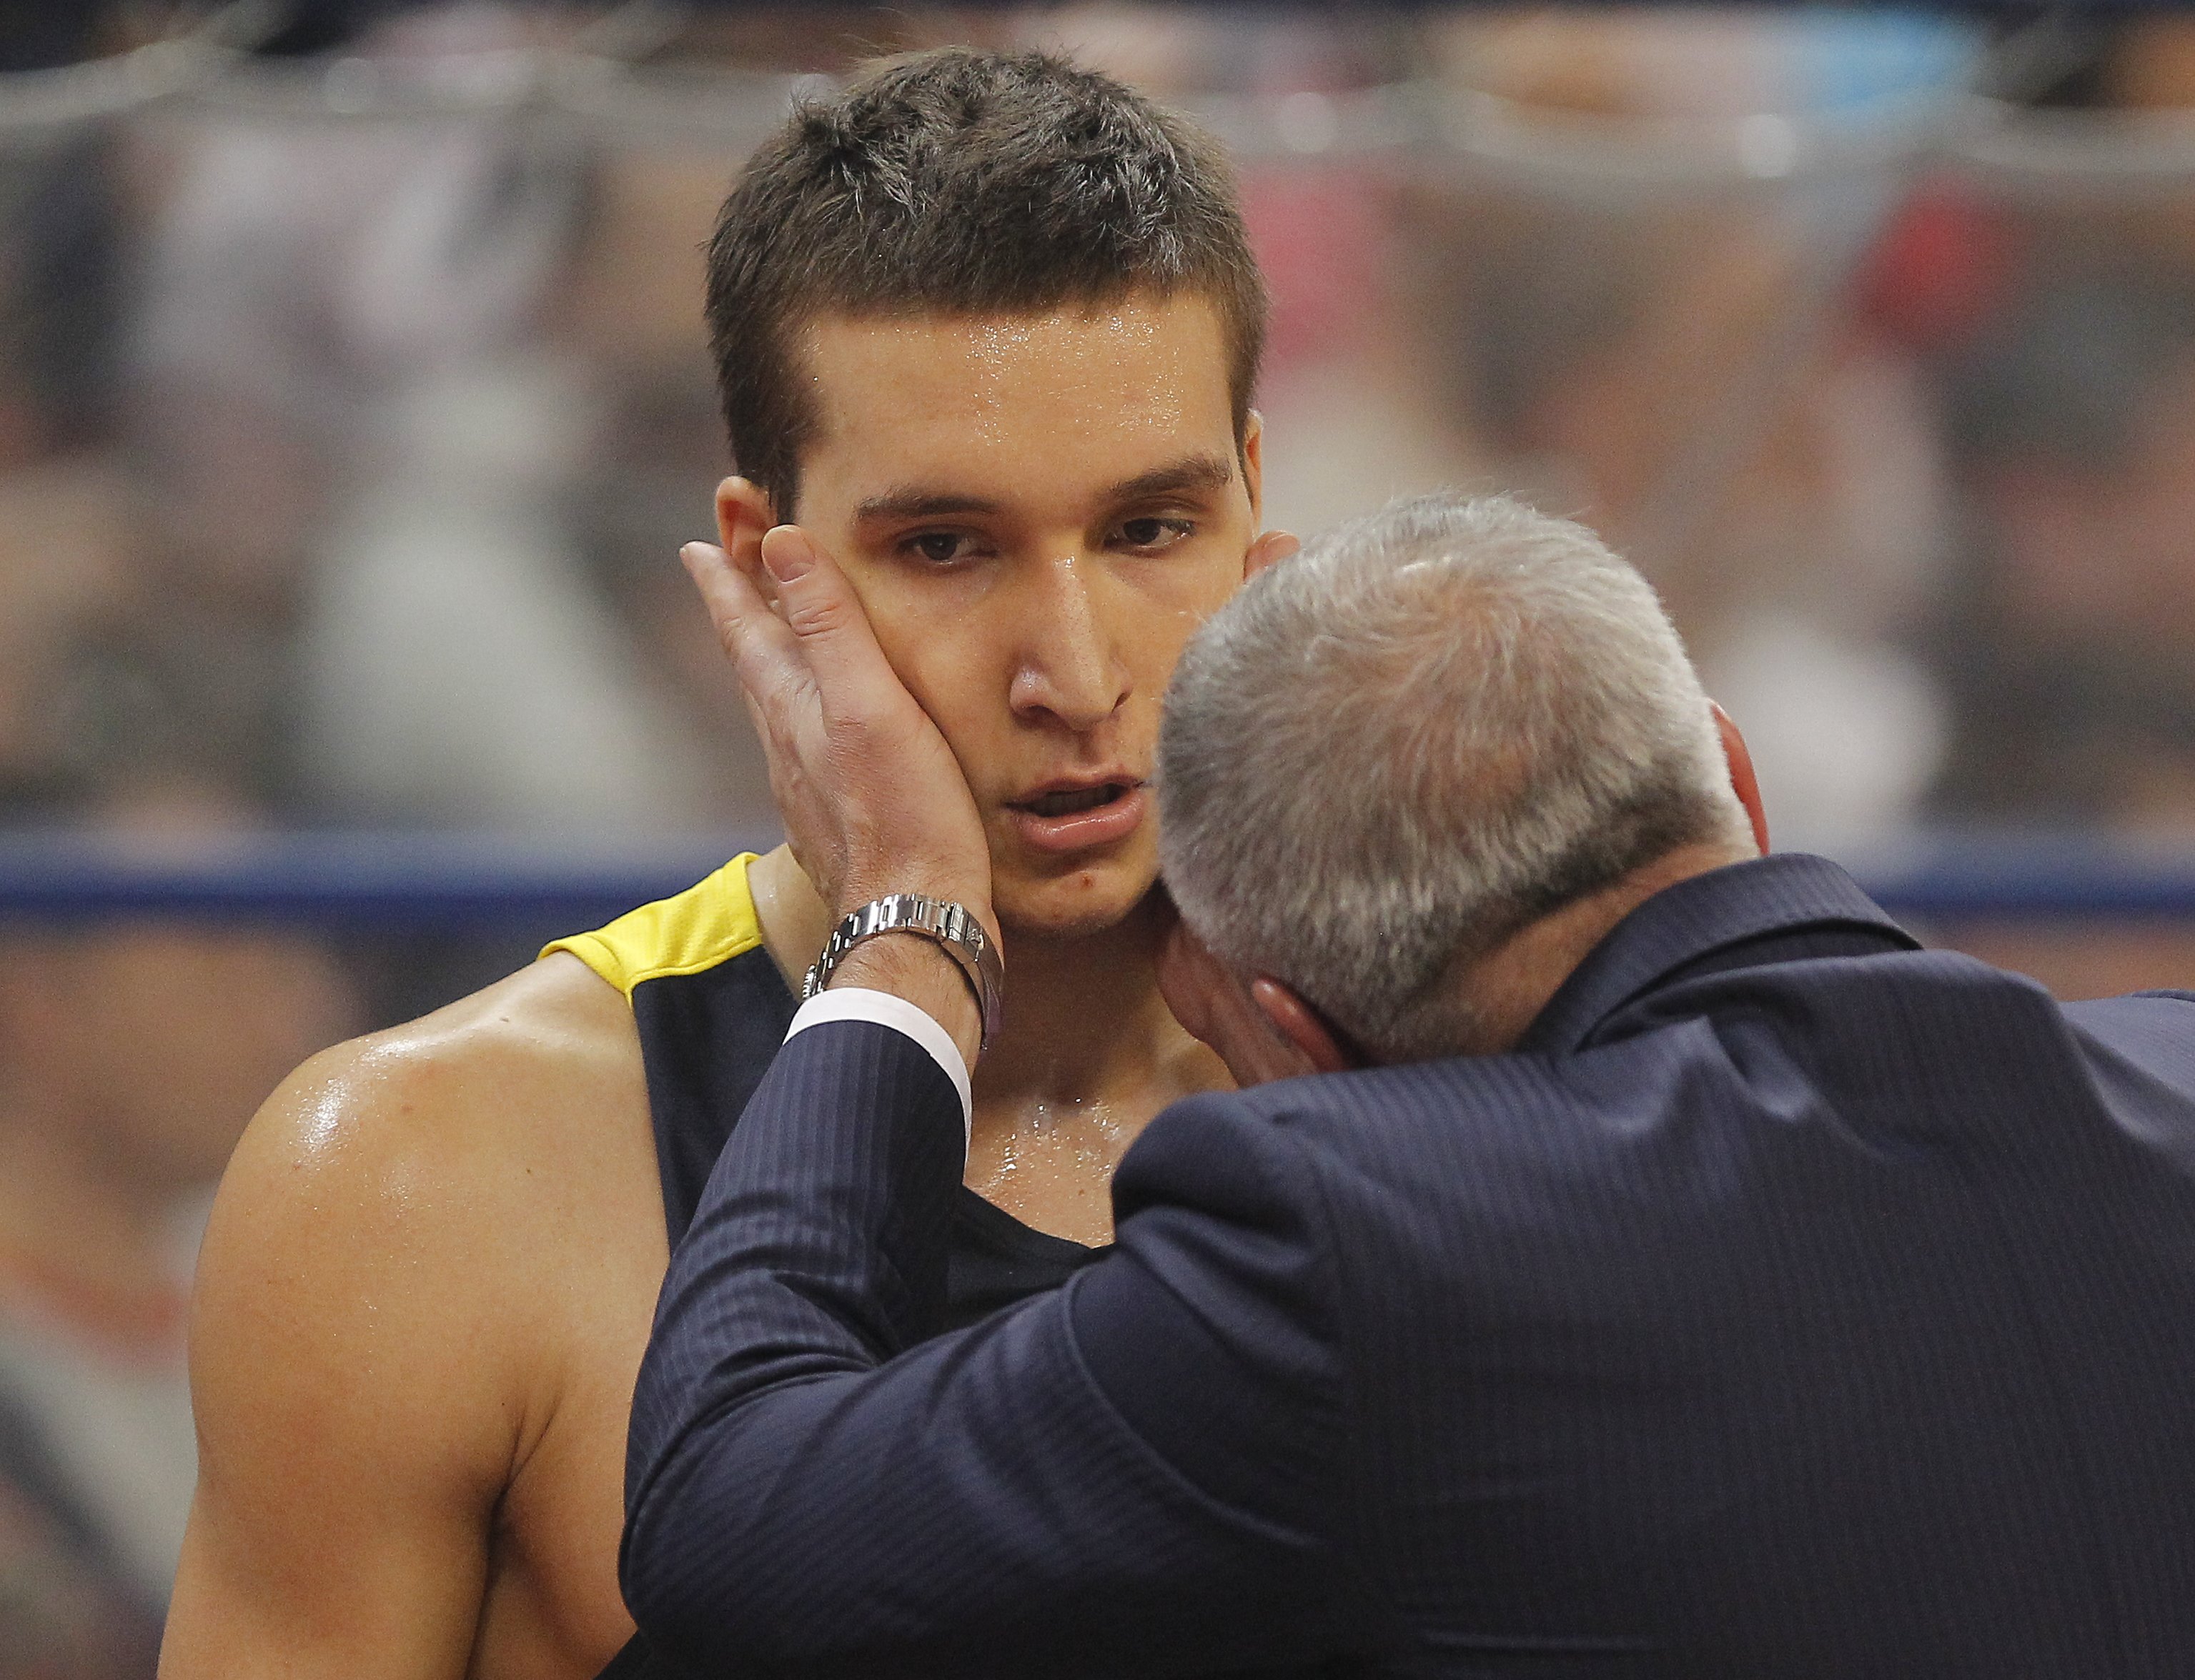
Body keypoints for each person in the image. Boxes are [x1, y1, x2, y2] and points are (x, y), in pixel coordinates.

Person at [621, 490, 2195, 1676]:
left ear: (1289, 1040)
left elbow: (724, 1524)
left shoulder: (1351, 1246)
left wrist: (906, 921)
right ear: (1734, 777)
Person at [162, 49, 1293, 1680]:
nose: (1075, 670)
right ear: (774, 571)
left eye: (1149, 531)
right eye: (948, 548)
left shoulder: (1452, 1087)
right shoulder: (422, 1178)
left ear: (1259, 503)